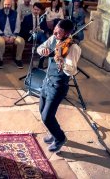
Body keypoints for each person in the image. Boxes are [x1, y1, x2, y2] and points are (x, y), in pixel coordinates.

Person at [37, 19, 81, 152]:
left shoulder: (73, 48)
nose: (55, 33)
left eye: (59, 32)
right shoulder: (54, 38)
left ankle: (60, 138)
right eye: (56, 29)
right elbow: (40, 48)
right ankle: (54, 131)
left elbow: (72, 71)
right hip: (47, 81)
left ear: (67, 33)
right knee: (42, 110)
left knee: (47, 117)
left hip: (58, 85)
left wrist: (61, 60)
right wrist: (43, 51)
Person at [0, 0, 25, 69]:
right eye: (5, 4)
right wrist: (3, 36)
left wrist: (13, 37)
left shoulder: (15, 13)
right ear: (3, 5)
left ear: (11, 5)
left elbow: (18, 27)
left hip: (13, 35)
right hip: (1, 35)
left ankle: (18, 59)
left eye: (8, 4)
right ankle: (0, 59)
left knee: (21, 41)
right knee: (1, 43)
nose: (7, 6)